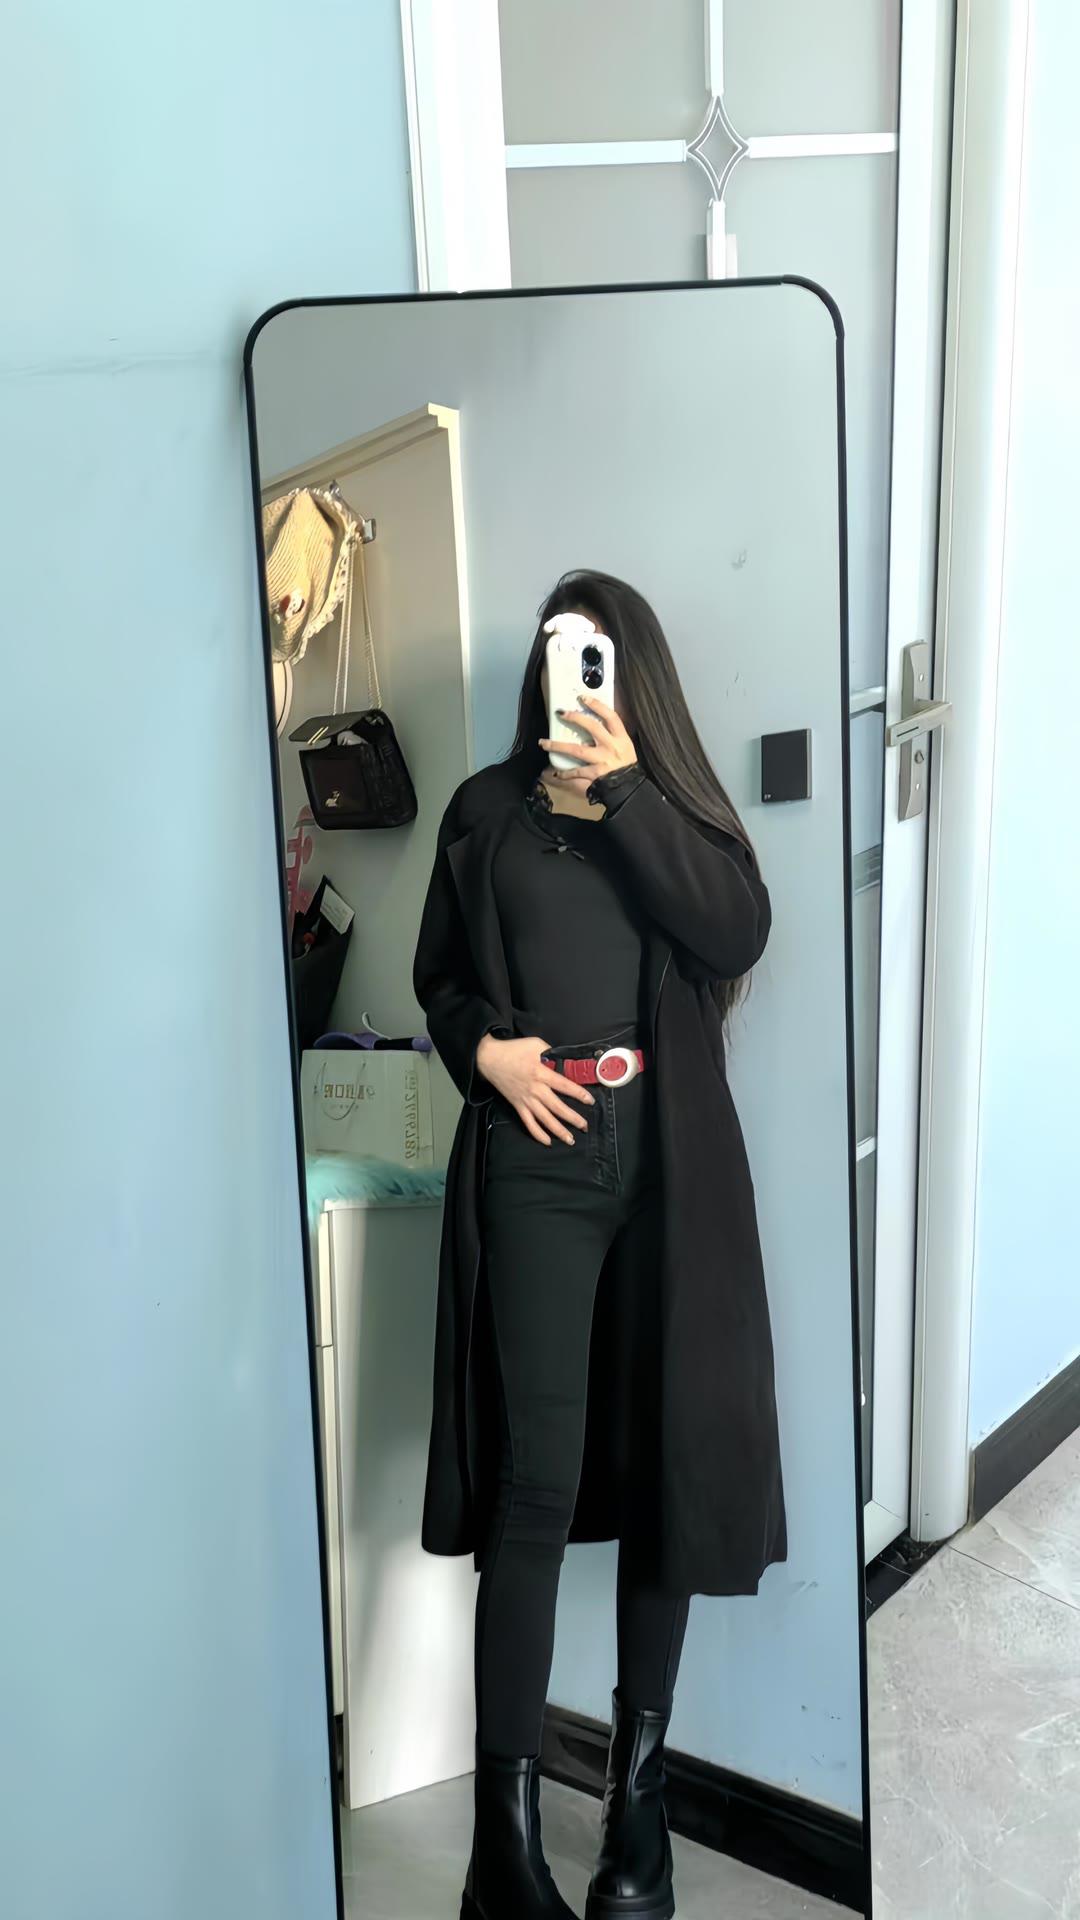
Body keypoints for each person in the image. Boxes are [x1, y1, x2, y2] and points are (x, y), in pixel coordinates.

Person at [413, 571, 787, 1920]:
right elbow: (438, 978)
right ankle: (502, 1855)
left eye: (597, 651)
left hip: (670, 1163)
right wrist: (486, 1055)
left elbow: (738, 929)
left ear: (633, 673)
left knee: (666, 1470)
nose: (571, 667)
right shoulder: (482, 811)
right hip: (538, 1160)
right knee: (538, 1481)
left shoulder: (670, 807)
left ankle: (642, 1820)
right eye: (558, 647)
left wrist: (625, 789)